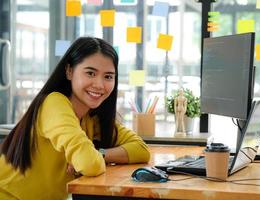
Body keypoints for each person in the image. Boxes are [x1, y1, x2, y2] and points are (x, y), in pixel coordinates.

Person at [0, 37, 150, 200]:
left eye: (108, 76)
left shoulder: (91, 118)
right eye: (90, 73)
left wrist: (101, 153)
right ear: (69, 71)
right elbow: (89, 164)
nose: (99, 84)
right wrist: (91, 156)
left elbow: (141, 150)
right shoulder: (54, 103)